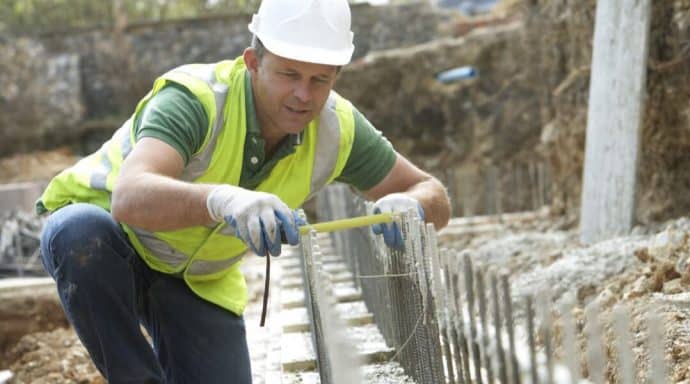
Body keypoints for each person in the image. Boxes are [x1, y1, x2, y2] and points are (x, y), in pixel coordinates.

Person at [35, 0, 451, 382]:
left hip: (198, 282)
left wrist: (411, 203)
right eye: (289, 74)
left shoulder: (338, 129)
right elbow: (129, 196)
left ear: (336, 77)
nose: (303, 95)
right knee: (80, 233)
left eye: (319, 80)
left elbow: (431, 191)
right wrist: (224, 200)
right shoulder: (197, 99)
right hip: (113, 242)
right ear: (253, 61)